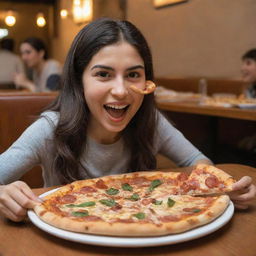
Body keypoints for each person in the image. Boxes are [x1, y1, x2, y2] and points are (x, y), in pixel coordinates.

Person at [0, 18, 255, 222]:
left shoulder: (150, 120)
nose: (121, 91)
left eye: (133, 74)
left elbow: (197, 161)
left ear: (147, 81)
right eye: (103, 74)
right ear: (79, 81)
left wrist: (222, 188)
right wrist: (3, 194)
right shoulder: (49, 129)